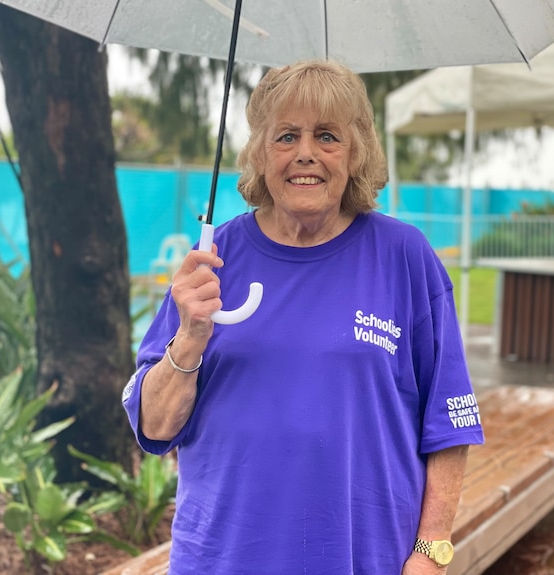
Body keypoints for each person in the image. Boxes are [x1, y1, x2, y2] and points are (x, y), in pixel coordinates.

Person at [122, 60, 484, 575]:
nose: (306, 153)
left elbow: (449, 422)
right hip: (222, 560)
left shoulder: (404, 256)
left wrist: (431, 552)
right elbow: (154, 428)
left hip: (364, 560)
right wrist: (190, 337)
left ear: (356, 152)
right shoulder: (213, 261)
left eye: (328, 136)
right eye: (286, 135)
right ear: (259, 153)